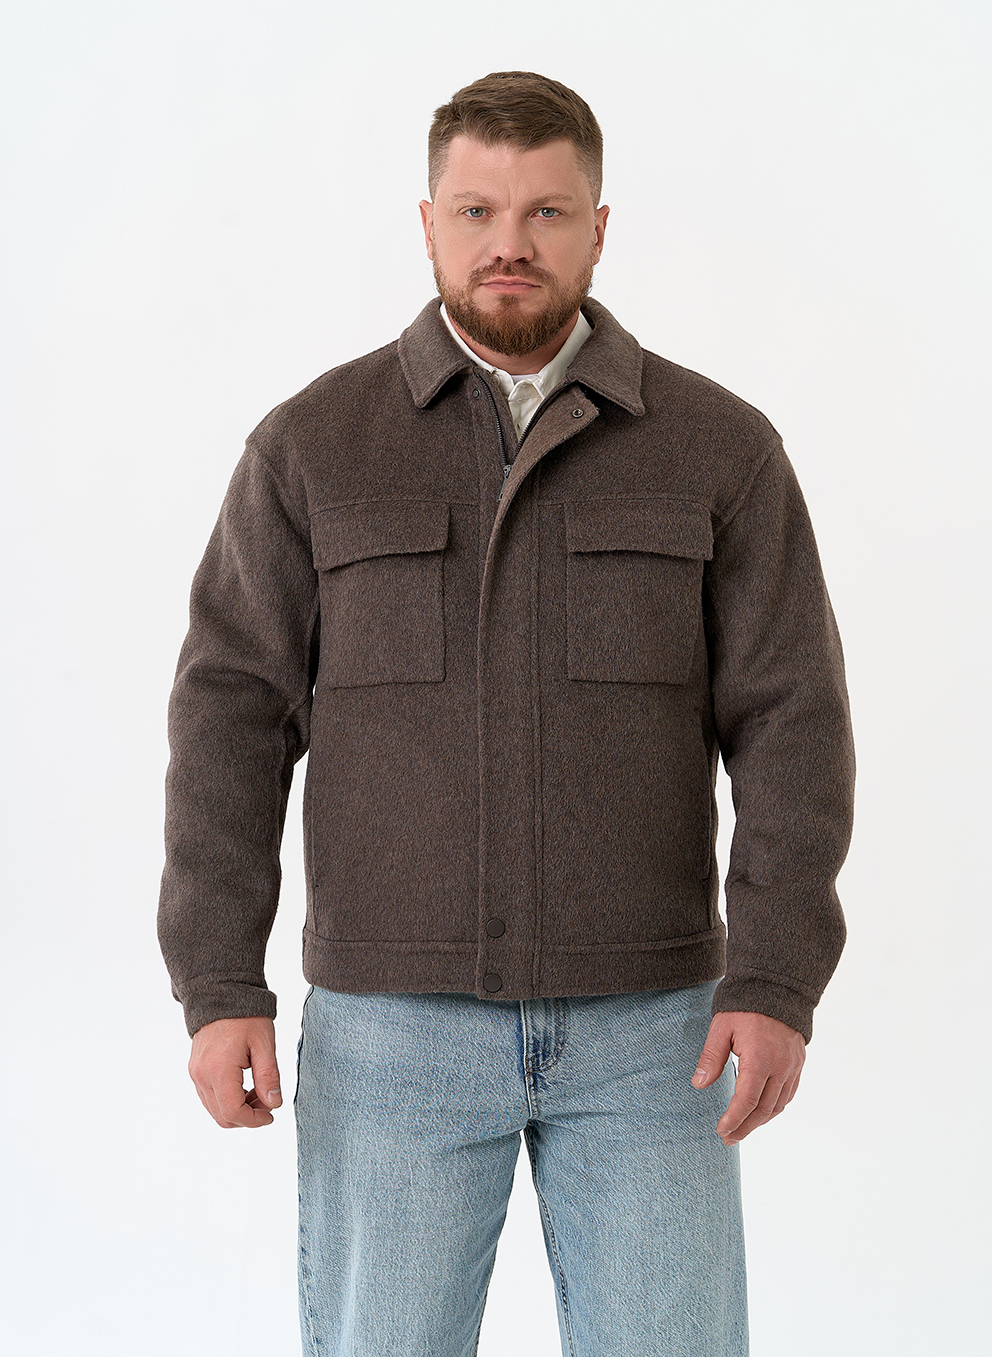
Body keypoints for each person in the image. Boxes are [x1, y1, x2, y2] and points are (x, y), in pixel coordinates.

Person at [158, 70, 854, 1357]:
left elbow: (791, 722)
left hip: (656, 1032)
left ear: (599, 227)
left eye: (546, 211)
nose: (508, 244)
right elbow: (229, 719)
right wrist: (216, 979)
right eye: (476, 211)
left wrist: (775, 975)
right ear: (427, 223)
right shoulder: (311, 445)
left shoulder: (720, 448)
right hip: (391, 1030)